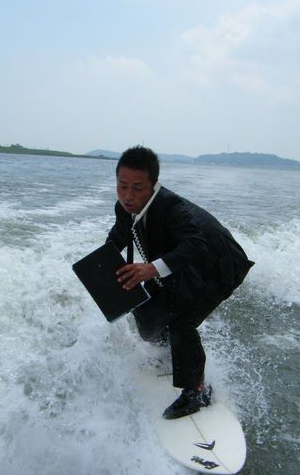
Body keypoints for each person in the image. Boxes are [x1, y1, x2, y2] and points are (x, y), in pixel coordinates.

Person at [107, 146, 254, 420]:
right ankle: (171, 352)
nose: (128, 196)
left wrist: (151, 269)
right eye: (122, 186)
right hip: (183, 264)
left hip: (219, 265)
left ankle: (196, 391)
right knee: (146, 307)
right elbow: (118, 237)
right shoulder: (125, 208)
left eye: (137, 188)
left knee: (181, 321)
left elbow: (195, 244)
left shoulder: (170, 206)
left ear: (153, 185)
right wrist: (99, 268)